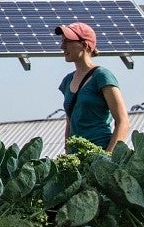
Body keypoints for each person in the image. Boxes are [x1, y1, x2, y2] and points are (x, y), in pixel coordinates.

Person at [56, 21, 132, 151]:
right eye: (62, 42)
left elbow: (123, 122)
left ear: (84, 45)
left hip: (99, 153)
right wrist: (68, 151)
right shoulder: (67, 80)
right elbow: (70, 121)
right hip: (77, 159)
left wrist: (108, 156)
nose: (62, 46)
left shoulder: (102, 76)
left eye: (67, 41)